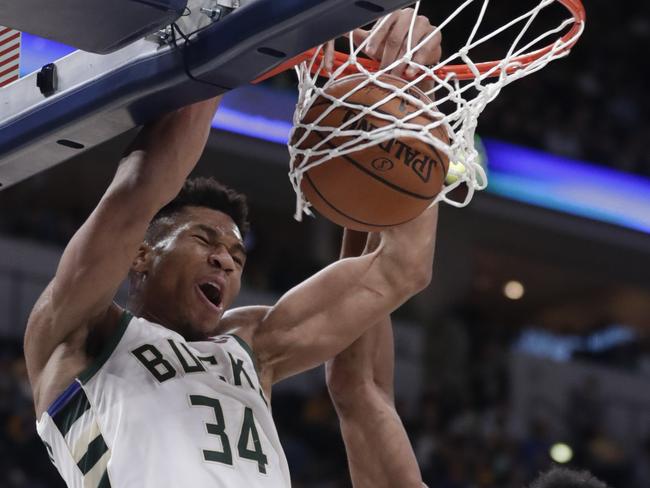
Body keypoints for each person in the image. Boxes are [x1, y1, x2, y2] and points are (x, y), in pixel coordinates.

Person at [23, 8, 443, 488]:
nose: (225, 258)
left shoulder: (252, 347)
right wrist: (238, 30)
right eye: (204, 239)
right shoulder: (75, 334)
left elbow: (403, 268)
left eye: (237, 257)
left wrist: (409, 91)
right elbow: (143, 187)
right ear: (141, 254)